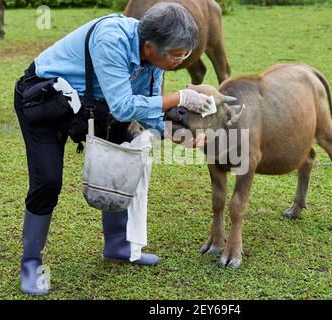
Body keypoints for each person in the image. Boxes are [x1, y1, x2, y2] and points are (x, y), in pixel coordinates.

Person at [14, 3, 211, 296]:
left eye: (185, 54)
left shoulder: (155, 61)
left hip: (94, 107)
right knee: (48, 182)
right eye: (177, 55)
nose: (181, 60)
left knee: (123, 162)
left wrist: (176, 135)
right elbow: (123, 105)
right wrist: (179, 97)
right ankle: (31, 263)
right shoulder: (112, 39)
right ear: (149, 47)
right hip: (47, 100)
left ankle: (118, 245)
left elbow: (145, 107)